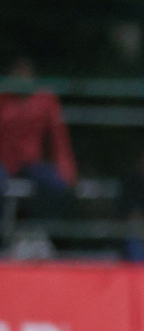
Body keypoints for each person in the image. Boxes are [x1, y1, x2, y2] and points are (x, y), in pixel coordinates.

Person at [0, 56, 76, 216]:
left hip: (31, 163)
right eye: (17, 75)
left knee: (57, 185)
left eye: (25, 75)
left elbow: (59, 138)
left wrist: (67, 168)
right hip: (3, 163)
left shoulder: (45, 100)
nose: (21, 79)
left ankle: (41, 232)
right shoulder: (2, 99)